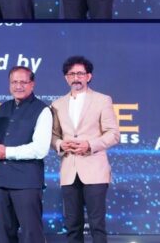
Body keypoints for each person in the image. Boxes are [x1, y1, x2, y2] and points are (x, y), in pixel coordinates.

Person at [51, 56, 120, 243]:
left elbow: (113, 134)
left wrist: (90, 145)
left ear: (89, 76)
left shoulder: (102, 100)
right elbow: (53, 135)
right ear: (66, 78)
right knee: (72, 226)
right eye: (71, 74)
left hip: (95, 170)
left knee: (97, 225)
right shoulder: (57, 104)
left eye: (80, 73)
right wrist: (60, 144)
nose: (76, 78)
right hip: (69, 171)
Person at [0, 66, 51, 243]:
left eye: (23, 82)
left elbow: (40, 149)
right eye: (14, 82)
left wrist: (7, 152)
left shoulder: (42, 110)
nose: (18, 86)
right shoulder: (2, 108)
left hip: (27, 183)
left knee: (32, 234)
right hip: (2, 181)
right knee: (5, 235)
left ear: (32, 84)